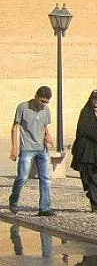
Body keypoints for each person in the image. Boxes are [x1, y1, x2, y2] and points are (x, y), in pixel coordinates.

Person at [8, 86, 55, 217]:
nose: (44, 104)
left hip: (42, 149)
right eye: (42, 101)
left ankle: (44, 208)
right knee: (22, 177)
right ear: (36, 97)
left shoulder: (46, 110)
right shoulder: (23, 108)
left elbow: (45, 126)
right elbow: (16, 127)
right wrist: (15, 148)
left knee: (46, 178)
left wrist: (49, 136)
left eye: (46, 102)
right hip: (27, 148)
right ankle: (14, 201)